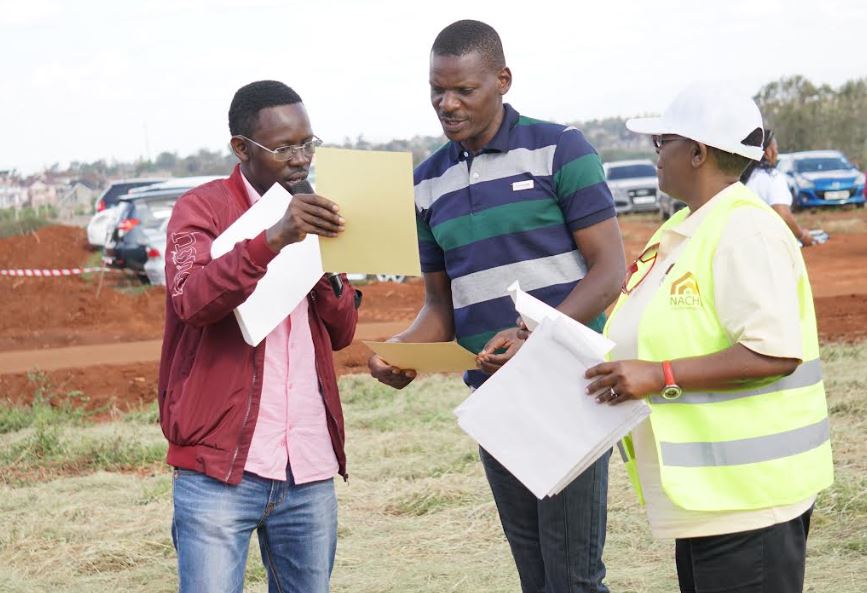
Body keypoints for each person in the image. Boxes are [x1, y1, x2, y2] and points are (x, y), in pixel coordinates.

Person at [369, 20, 625, 593]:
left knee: (574, 578)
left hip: (569, 389)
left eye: (464, 90)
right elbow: (442, 305)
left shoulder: (561, 148)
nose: (447, 103)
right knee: (535, 576)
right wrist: (403, 353)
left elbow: (610, 272)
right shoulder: (427, 182)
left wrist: (534, 338)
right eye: (437, 90)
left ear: (503, 81)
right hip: (494, 400)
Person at [585, 83, 833, 593]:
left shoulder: (746, 230)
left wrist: (657, 376)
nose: (655, 155)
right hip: (708, 498)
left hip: (750, 503)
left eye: (662, 143)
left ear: (697, 152)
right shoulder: (685, 228)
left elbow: (774, 351)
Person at [159, 80, 359, 593]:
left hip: (307, 467)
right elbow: (192, 300)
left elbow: (341, 332)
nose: (300, 160)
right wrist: (271, 240)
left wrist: (331, 272)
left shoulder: (319, 210)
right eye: (284, 147)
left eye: (308, 144)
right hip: (220, 467)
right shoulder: (200, 210)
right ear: (242, 148)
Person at [741, 129, 814, 245]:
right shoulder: (772, 177)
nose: (777, 153)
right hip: (768, 245)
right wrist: (802, 235)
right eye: (776, 149)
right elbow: (782, 213)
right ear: (767, 152)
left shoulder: (744, 177)